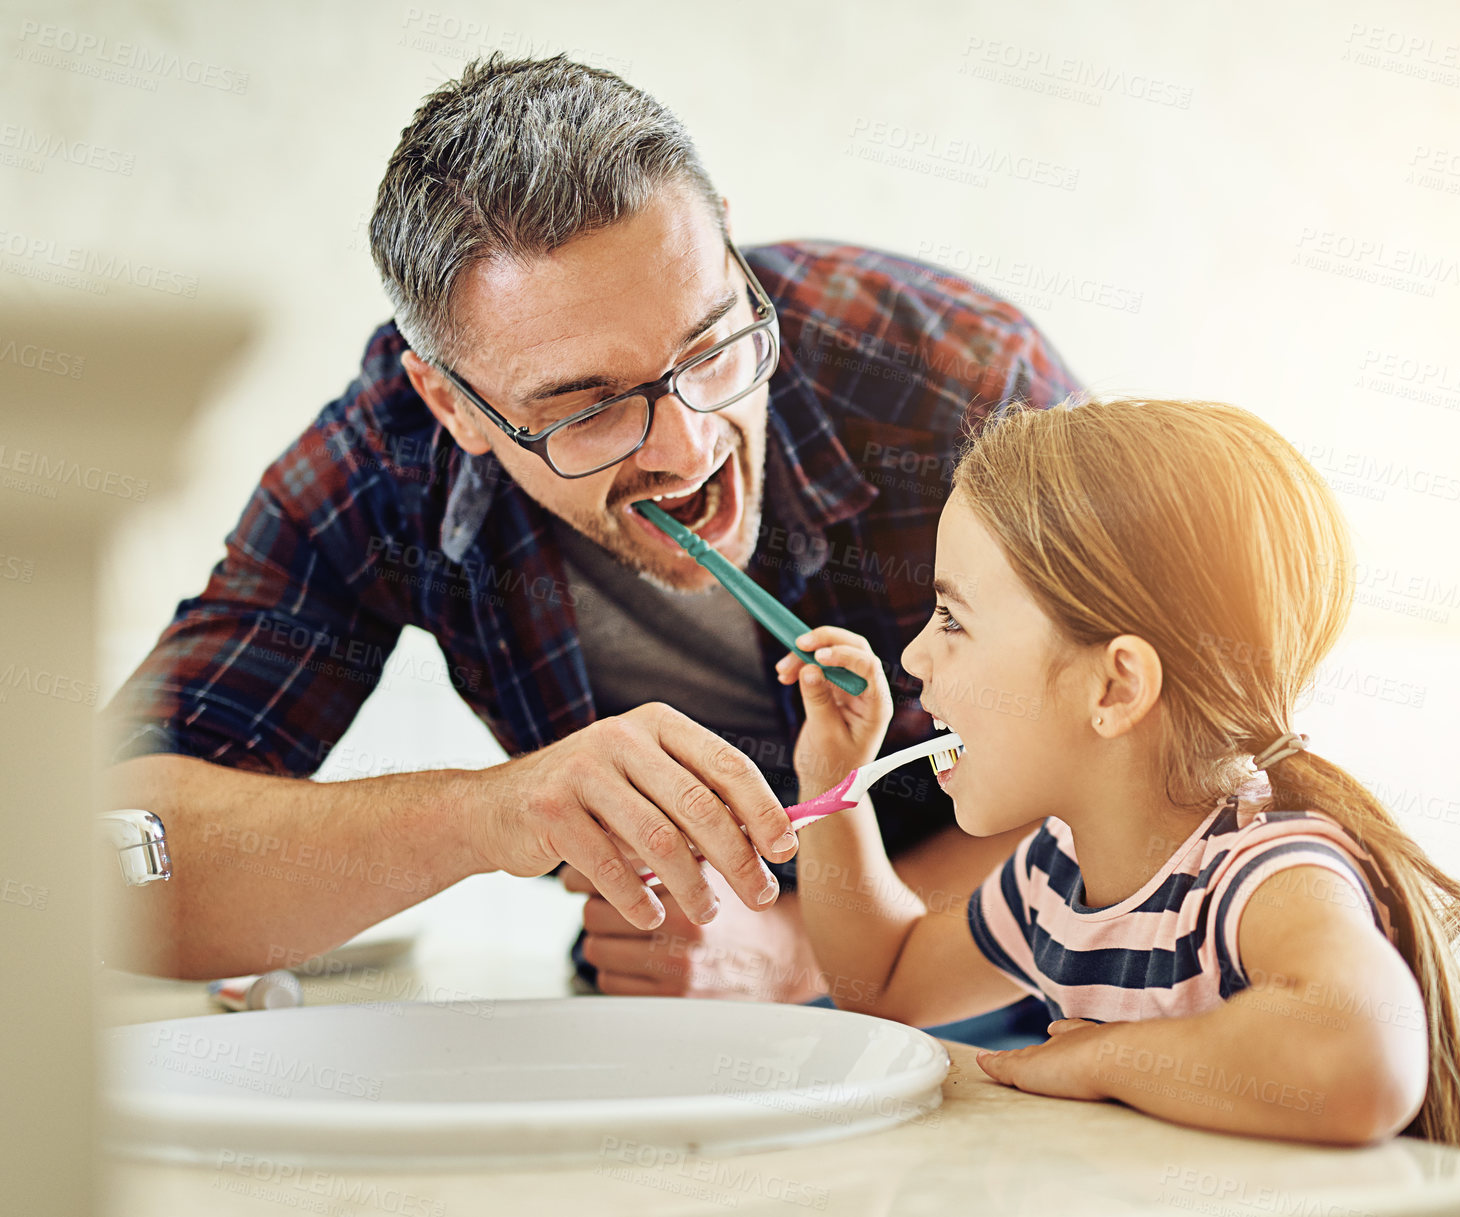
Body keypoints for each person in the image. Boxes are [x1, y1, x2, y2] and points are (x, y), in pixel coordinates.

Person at [101, 50, 1077, 1041]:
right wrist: (489, 813)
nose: (690, 446)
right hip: (673, 1044)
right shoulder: (385, 463)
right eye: (593, 407)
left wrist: (800, 948)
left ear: (727, 249)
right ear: (454, 404)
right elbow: (109, 852)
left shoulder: (950, 374)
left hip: (1048, 998)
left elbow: (1177, 755)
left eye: (708, 346)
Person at [783, 396, 1460, 1150]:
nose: (912, 658)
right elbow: (888, 981)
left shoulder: (1262, 871)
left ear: (1116, 687)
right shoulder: (1054, 874)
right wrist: (830, 773)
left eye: (954, 620)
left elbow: (1358, 1060)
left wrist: (1103, 1058)